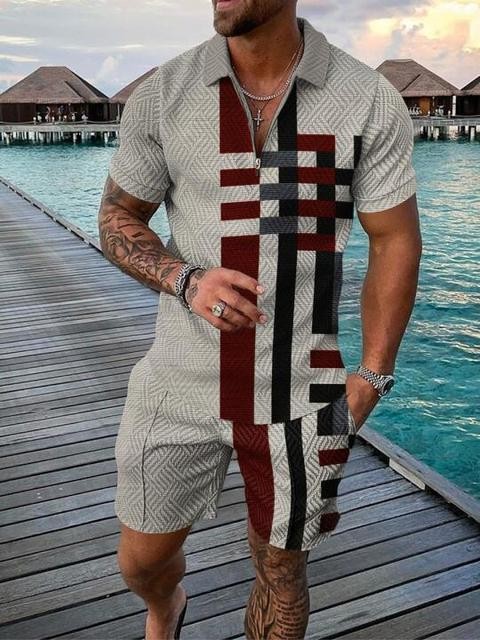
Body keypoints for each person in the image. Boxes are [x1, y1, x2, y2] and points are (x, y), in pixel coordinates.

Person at [98, 1, 422, 638]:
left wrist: (373, 375)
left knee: (281, 573)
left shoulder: (366, 98)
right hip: (178, 381)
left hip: (298, 390)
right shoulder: (164, 94)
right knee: (141, 561)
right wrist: (186, 280)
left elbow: (394, 238)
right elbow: (117, 217)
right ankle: (166, 605)